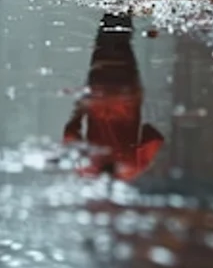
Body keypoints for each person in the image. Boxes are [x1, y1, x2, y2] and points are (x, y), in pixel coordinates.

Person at [62, 12, 165, 181]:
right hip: (99, 92)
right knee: (105, 44)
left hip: (127, 94)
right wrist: (80, 111)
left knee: (123, 46)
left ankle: (123, 6)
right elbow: (70, 135)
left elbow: (153, 137)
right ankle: (116, 5)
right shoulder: (84, 167)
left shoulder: (132, 169)